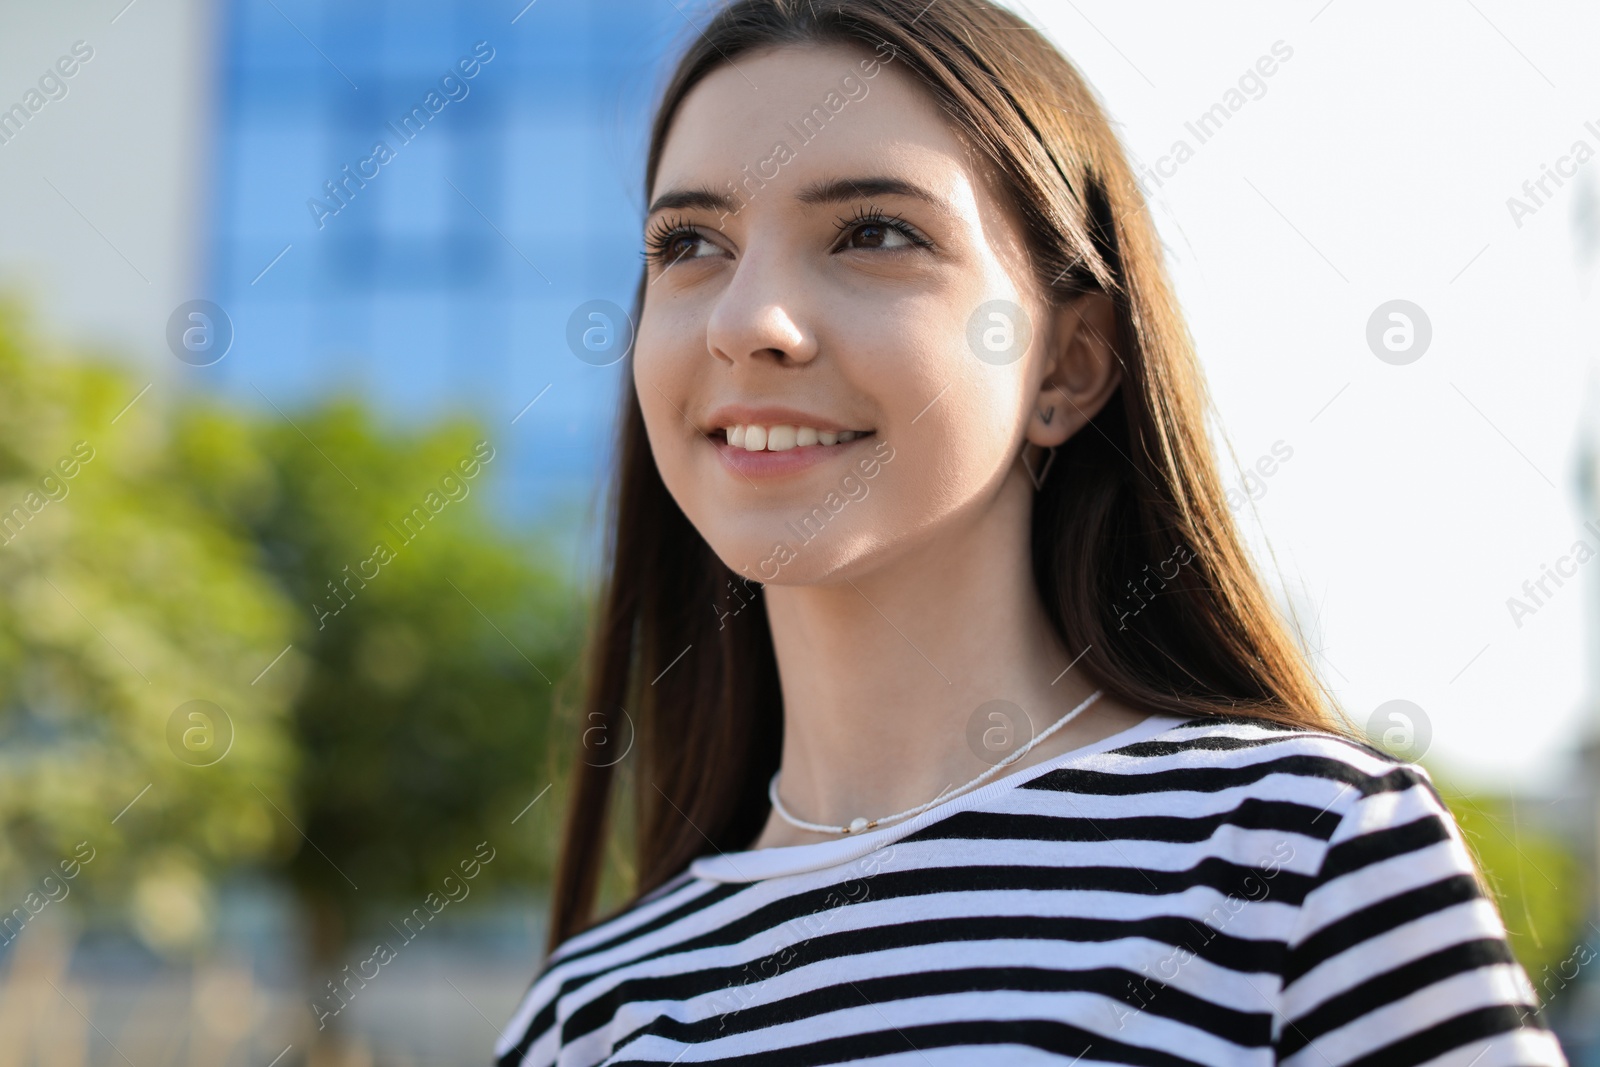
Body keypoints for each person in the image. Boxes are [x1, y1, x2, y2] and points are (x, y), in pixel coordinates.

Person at [495, 0, 1564, 1062]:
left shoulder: (1302, 861)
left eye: (873, 232)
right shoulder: (589, 1013)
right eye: (690, 243)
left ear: (1068, 363)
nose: (746, 322)